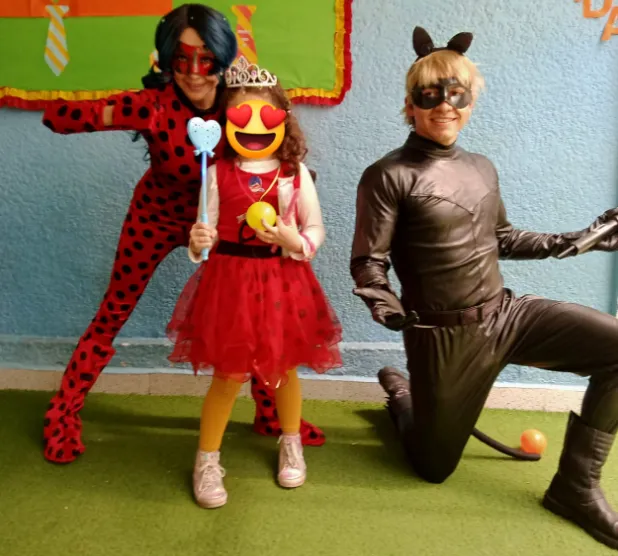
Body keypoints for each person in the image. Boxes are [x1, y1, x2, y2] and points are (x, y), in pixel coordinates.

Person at [350, 26, 618, 550]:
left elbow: (503, 238)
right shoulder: (387, 175)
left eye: (456, 94)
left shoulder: (481, 167)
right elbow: (368, 262)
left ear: (470, 101)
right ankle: (402, 394)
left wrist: (578, 240)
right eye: (430, 94)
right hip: (445, 338)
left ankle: (575, 489)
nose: (444, 106)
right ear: (410, 103)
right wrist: (387, 306)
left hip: (507, 315)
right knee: (432, 468)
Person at [40, 3, 327, 465]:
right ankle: (64, 411)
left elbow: (277, 149)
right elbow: (62, 117)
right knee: (114, 309)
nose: (194, 72)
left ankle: (272, 412)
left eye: (206, 59)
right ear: (166, 58)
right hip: (156, 218)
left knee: (255, 310)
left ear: (223, 56)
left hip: (228, 225)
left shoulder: (240, 103)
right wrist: (76, 113)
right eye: (181, 60)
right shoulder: (152, 106)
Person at [165, 56, 342, 508]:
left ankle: (291, 441)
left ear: (284, 120)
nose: (256, 128)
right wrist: (199, 240)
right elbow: (205, 233)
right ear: (225, 123)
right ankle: (206, 459)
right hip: (230, 285)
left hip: (284, 282)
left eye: (267, 118)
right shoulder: (216, 173)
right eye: (242, 118)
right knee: (227, 376)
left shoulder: (293, 175)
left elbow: (316, 229)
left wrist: (295, 240)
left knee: (284, 370)